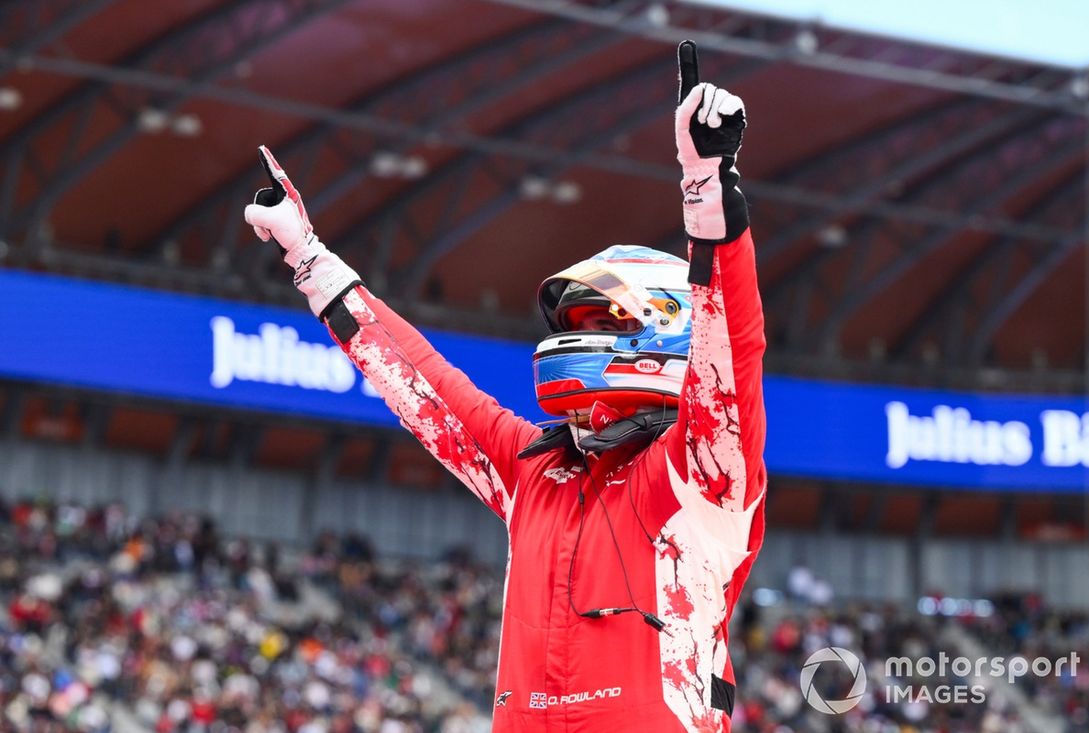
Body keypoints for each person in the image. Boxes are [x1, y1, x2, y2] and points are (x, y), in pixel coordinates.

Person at [243, 41, 766, 733]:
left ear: (663, 330)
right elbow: (424, 388)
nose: (574, 333)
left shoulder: (701, 475)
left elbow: (729, 351)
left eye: (598, 317)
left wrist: (705, 185)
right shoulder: (534, 471)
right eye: (574, 318)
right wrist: (309, 258)